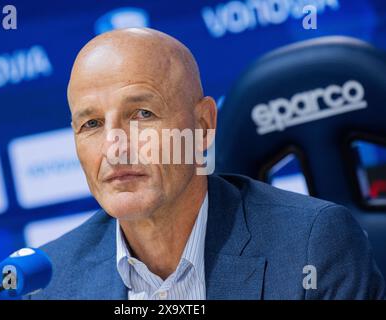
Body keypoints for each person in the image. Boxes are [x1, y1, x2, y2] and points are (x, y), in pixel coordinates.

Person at [29, 28, 384, 300]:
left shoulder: (313, 244)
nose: (114, 147)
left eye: (141, 114)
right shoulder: (48, 282)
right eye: (91, 124)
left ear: (203, 126)